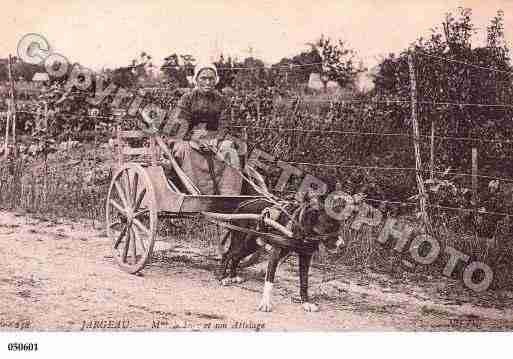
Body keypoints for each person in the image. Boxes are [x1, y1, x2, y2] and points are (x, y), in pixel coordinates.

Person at [164, 63, 243, 195]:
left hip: (213, 138)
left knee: (230, 149)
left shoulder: (221, 100)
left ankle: (229, 195)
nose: (208, 82)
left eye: (211, 79)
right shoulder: (187, 99)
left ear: (216, 80)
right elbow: (179, 125)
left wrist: (217, 139)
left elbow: (224, 125)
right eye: (203, 78)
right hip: (185, 138)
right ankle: (197, 194)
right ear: (196, 80)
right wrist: (195, 138)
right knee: (185, 151)